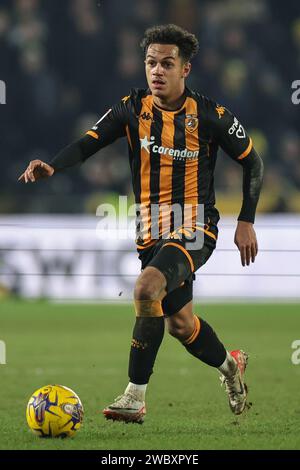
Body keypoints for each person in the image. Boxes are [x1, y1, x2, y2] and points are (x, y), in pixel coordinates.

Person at [19, 24, 264, 424]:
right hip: (149, 231)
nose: (157, 71)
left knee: (146, 287)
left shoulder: (210, 114)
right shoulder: (131, 108)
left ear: (185, 69)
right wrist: (53, 164)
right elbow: (90, 141)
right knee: (181, 326)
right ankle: (231, 367)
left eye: (167, 64)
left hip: (194, 225)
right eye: (151, 62)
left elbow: (252, 161)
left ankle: (135, 396)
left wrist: (247, 220)